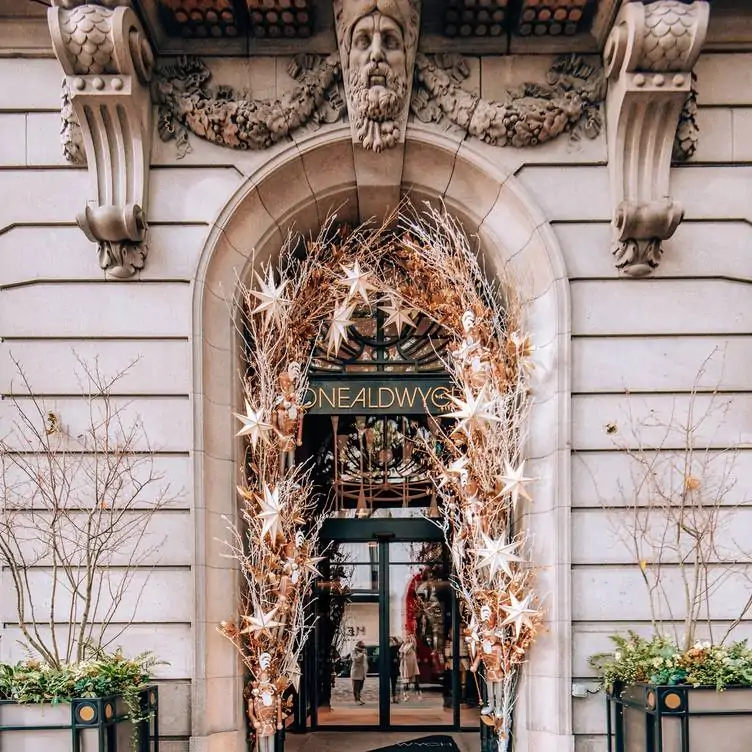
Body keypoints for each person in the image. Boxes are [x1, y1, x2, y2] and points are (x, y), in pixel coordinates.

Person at [399, 632, 421, 700]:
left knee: (416, 682)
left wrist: (412, 637)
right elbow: (401, 652)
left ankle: (419, 695)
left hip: (413, 666)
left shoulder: (412, 645)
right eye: (406, 637)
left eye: (408, 637)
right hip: (406, 666)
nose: (407, 638)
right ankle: (405, 695)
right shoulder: (403, 645)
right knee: (406, 682)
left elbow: (413, 644)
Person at [350, 640, 367, 705]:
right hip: (356, 672)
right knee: (356, 687)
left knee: (360, 687)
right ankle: (356, 699)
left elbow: (365, 662)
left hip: (362, 672)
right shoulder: (354, 651)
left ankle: (359, 698)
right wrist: (361, 654)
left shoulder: (363, 652)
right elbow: (355, 659)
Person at [389, 636, 401, 703]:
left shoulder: (397, 649)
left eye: (393, 640)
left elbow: (399, 658)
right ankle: (392, 697)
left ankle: (394, 697)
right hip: (390, 668)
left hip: (395, 669)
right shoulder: (389, 649)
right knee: (390, 685)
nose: (392, 642)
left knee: (395, 684)